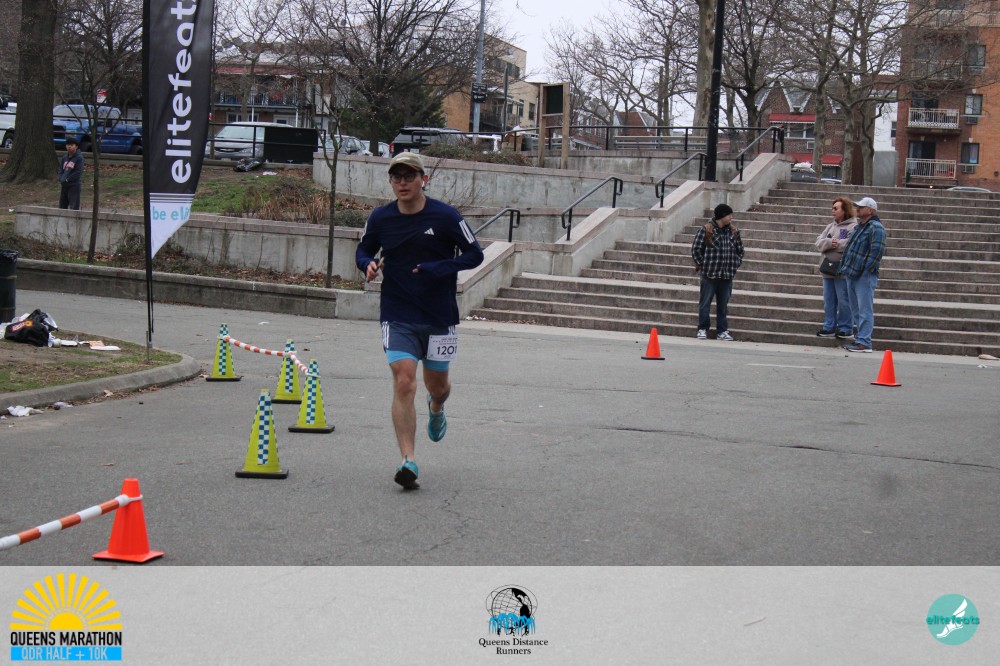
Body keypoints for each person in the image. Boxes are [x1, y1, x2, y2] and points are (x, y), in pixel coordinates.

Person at [355, 152, 485, 490]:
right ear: (390, 181)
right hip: (398, 313)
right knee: (404, 381)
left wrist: (438, 268)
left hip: (439, 315)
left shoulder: (445, 216)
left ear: (423, 179)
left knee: (437, 387)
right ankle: (408, 460)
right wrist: (368, 264)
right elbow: (364, 250)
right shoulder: (381, 217)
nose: (402, 183)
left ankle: (436, 407)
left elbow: (475, 254)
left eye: (409, 177)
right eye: (396, 177)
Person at [839, 196, 886, 353]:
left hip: (864, 275)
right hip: (852, 273)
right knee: (856, 309)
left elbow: (877, 251)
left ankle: (864, 341)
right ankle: (861, 339)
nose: (857, 209)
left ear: (870, 210)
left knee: (865, 309)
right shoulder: (860, 227)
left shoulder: (876, 227)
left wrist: (866, 269)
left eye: (861, 207)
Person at [691, 203, 744, 341]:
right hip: (710, 274)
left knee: (723, 306)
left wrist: (735, 264)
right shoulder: (706, 230)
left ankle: (722, 331)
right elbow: (696, 249)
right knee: (705, 303)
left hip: (727, 275)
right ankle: (702, 329)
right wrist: (704, 265)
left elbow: (740, 251)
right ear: (721, 216)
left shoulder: (733, 231)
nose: (731, 217)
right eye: (729, 215)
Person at [814, 197, 858, 340]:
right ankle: (829, 326)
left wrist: (834, 244)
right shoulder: (830, 226)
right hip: (827, 269)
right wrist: (829, 243)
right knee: (829, 300)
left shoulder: (850, 227)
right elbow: (818, 242)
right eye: (832, 208)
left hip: (841, 270)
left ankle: (846, 328)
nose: (832, 211)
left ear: (844, 210)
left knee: (843, 300)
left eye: (835, 208)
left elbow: (846, 244)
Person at [58, 136, 84, 210]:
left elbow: (78, 172)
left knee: (74, 206)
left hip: (74, 185)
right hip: (64, 185)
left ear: (76, 146)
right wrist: (61, 178)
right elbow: (61, 170)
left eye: (71, 145)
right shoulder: (64, 157)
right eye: (68, 145)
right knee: (62, 206)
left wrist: (67, 179)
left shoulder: (79, 158)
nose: (69, 147)